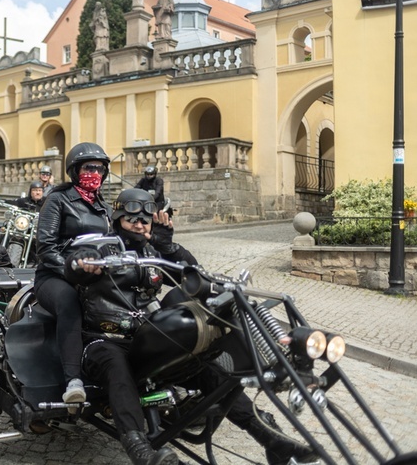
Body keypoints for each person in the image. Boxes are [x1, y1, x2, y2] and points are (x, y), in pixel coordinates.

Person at [67, 188, 317, 465]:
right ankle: (139, 448)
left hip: (142, 339)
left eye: (145, 219)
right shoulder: (101, 245)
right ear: (117, 218)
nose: (139, 224)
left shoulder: (152, 250)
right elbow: (74, 263)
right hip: (102, 339)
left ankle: (271, 439)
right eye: (131, 218)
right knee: (117, 369)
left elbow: (193, 276)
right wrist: (83, 262)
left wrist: (168, 246)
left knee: (210, 370)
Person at [35, 142, 112, 407]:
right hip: (55, 277)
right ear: (75, 169)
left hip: (94, 274)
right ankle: (73, 381)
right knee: (69, 301)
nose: (96, 173)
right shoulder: (58, 199)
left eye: (100, 168)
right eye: (90, 167)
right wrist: (73, 272)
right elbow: (46, 247)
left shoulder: (104, 207)